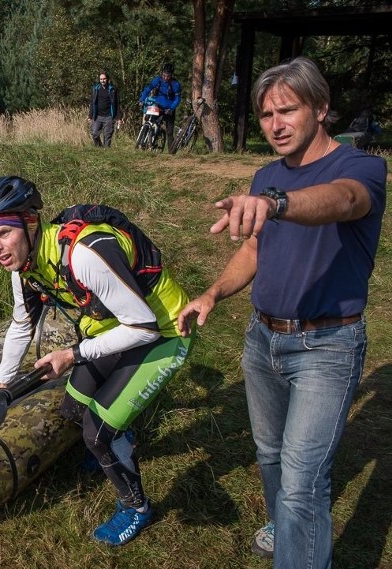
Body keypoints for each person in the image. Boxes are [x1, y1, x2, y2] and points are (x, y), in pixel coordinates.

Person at [177, 57, 386, 568]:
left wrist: (275, 202)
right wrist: (212, 293)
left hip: (327, 346)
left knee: (302, 481)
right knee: (269, 454)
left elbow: (342, 201)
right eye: (266, 114)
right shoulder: (267, 174)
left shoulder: (360, 167)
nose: (275, 125)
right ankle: (282, 526)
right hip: (262, 339)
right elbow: (253, 250)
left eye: (287, 110)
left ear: (320, 108)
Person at [0, 176, 193, 546]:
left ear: (29, 223)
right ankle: (121, 442)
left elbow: (144, 329)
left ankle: (135, 507)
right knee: (74, 408)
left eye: (2, 234)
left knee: (96, 431)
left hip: (163, 331)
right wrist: (5, 384)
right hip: (115, 326)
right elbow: (22, 324)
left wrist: (72, 355)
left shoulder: (84, 254)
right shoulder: (23, 266)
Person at [139, 62, 181, 149]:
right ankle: (147, 138)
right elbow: (147, 89)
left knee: (169, 131)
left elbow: (177, 99)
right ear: (161, 73)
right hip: (158, 105)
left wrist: (171, 108)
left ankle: (171, 152)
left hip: (169, 108)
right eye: (164, 75)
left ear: (171, 75)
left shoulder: (175, 84)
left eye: (168, 76)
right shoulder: (157, 80)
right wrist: (142, 100)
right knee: (150, 120)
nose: (165, 78)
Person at [89, 71, 120, 148]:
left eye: (104, 79)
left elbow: (117, 104)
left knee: (107, 137)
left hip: (109, 116)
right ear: (99, 80)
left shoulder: (112, 89)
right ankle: (99, 148)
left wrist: (118, 117)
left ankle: (106, 153)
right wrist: (90, 115)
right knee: (94, 133)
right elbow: (92, 102)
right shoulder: (96, 89)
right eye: (101, 79)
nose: (103, 80)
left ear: (107, 79)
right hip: (97, 116)